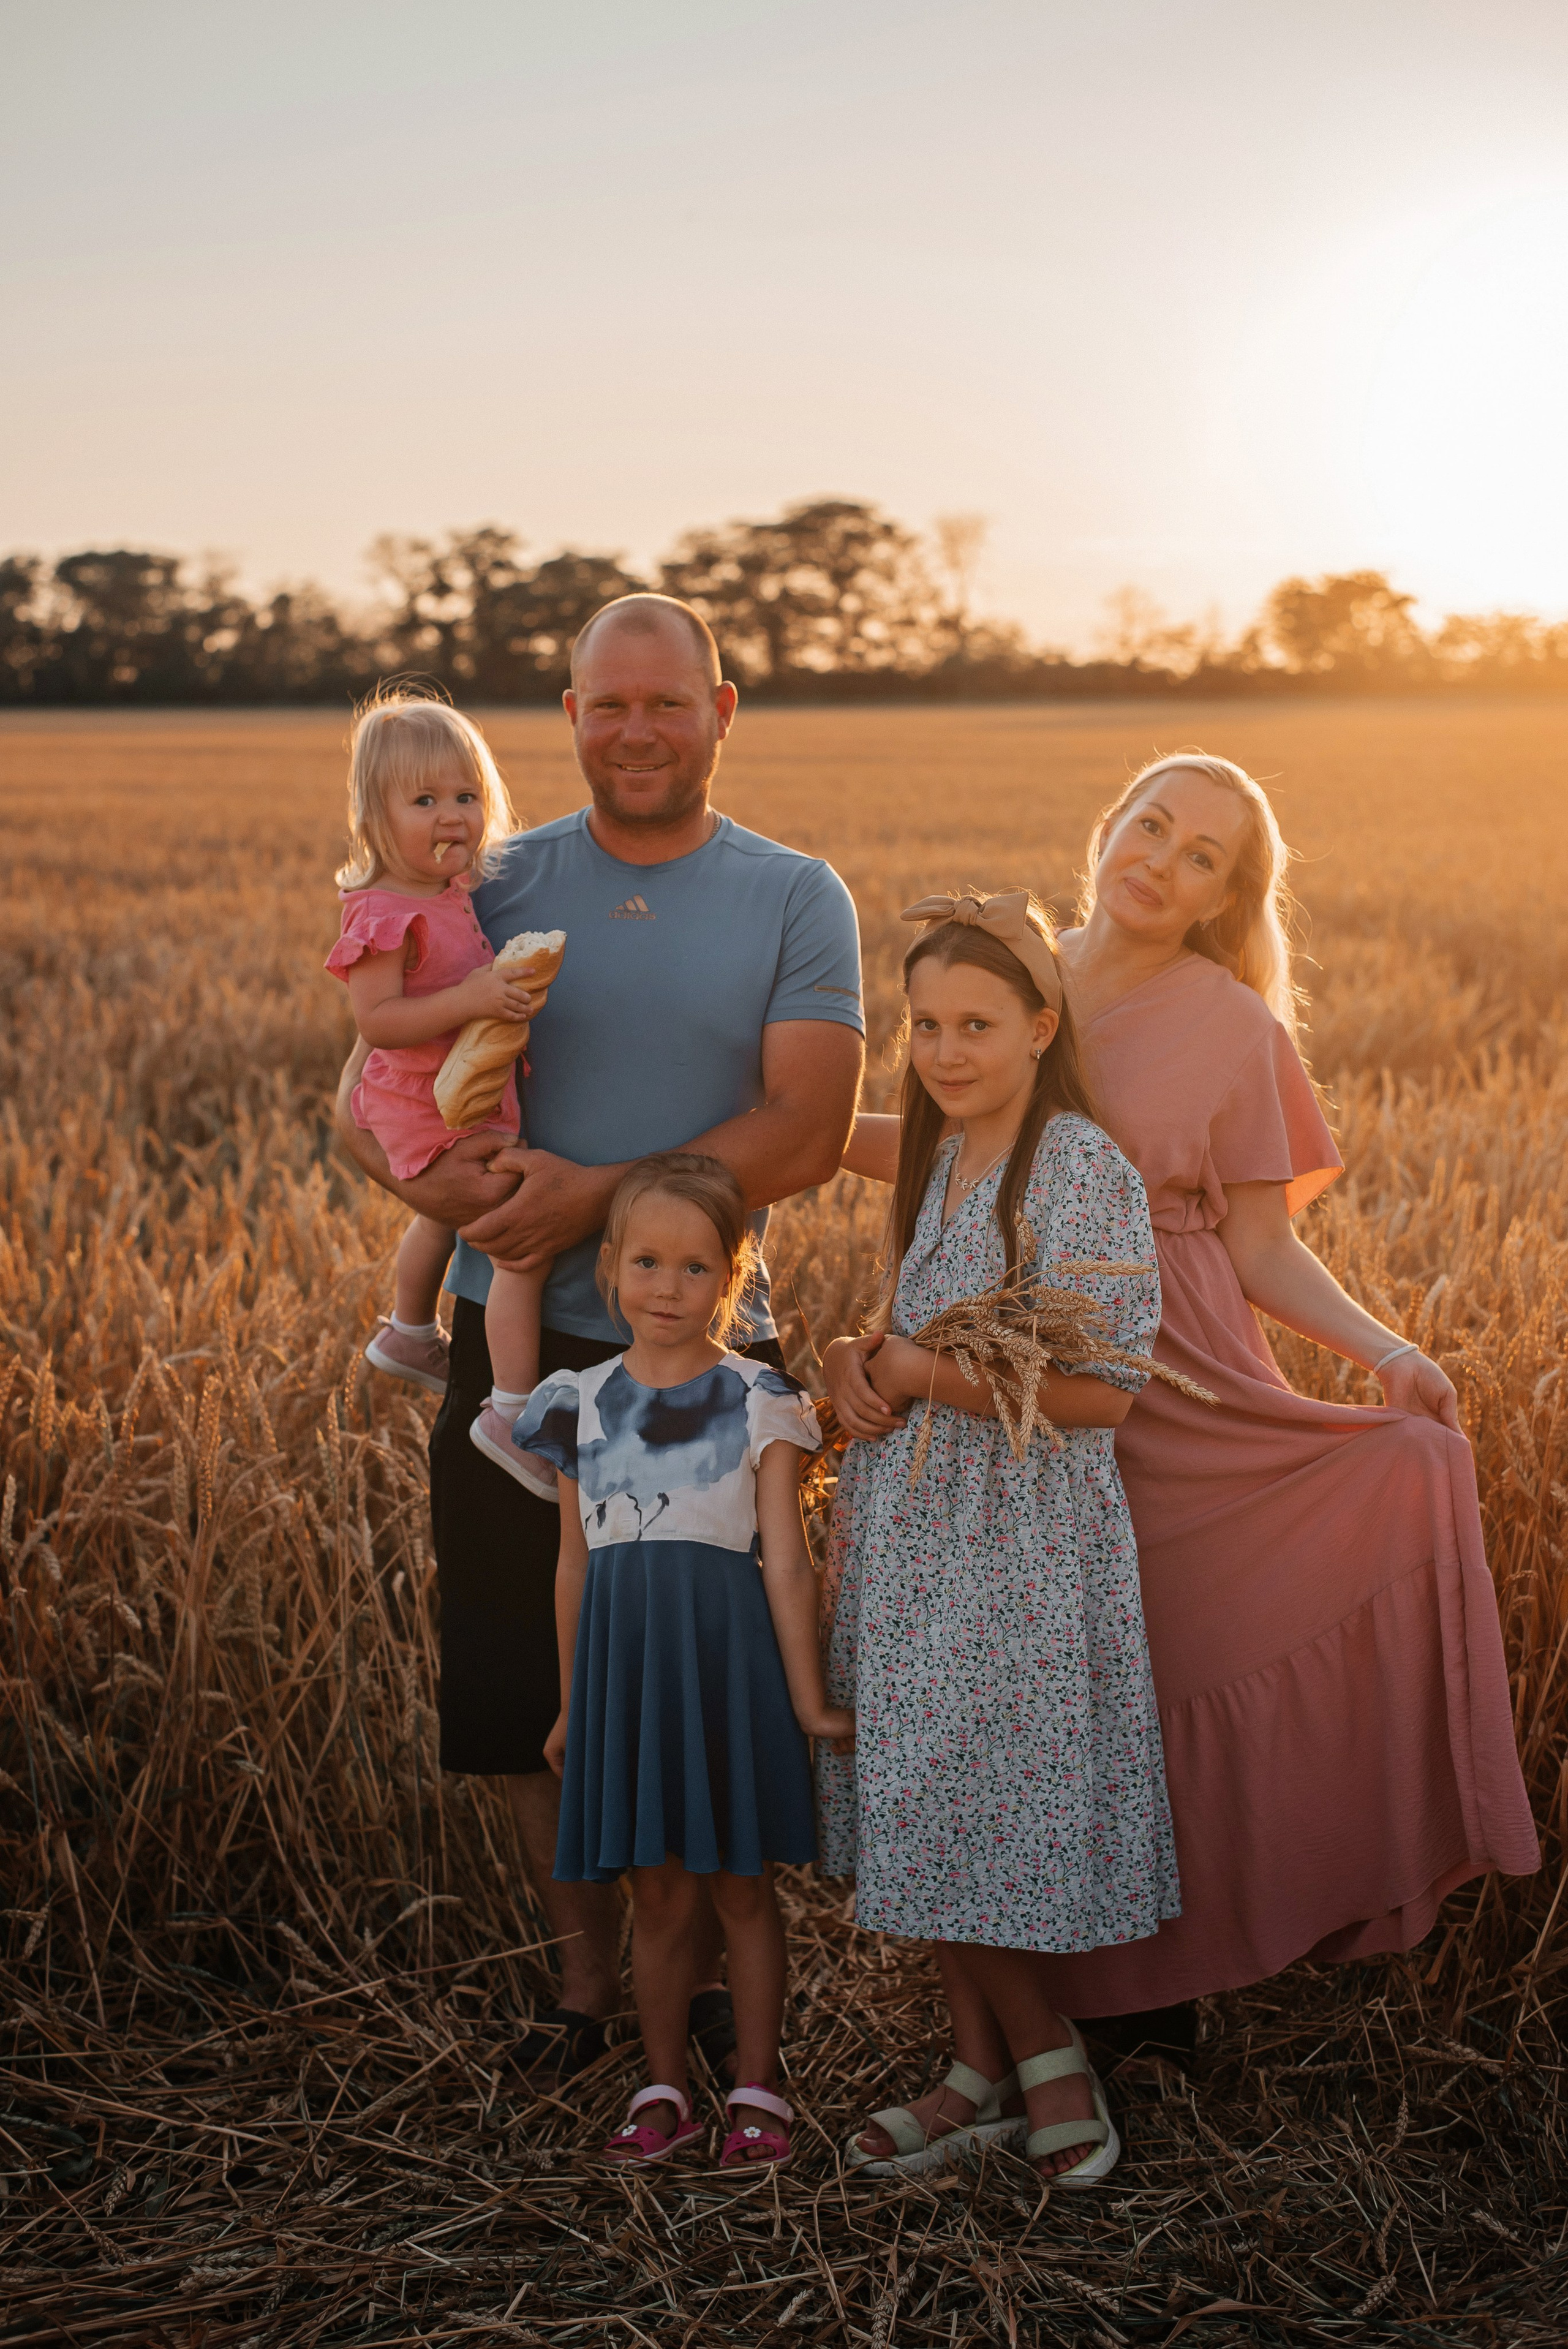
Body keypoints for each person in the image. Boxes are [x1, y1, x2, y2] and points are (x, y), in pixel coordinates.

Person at [831, 754, 1539, 2032]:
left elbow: (1262, 1246)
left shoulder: (1232, 1025)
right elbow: (947, 1146)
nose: (1161, 861)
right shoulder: (1017, 972)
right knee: (1052, 1675)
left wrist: (1388, 1353)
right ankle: (1047, 2000)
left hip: (1175, 1375)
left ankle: (1157, 1981)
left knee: (1176, 1652)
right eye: (1151, 826)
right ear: (1109, 827)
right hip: (1005, 1359)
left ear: (1223, 897)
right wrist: (797, 1135)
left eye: (1200, 855)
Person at [334, 594, 864, 2083]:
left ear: (721, 711)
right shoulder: (490, 876)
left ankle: (703, 1992)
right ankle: (584, 1995)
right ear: (567, 714)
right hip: (518, 1355)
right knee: (522, 1694)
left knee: (699, 1684)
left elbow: (808, 1127)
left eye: (667, 702)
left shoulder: (792, 894)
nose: (637, 731)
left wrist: (600, 1199)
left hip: (706, 1362)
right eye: (607, 704)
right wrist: (445, 1194)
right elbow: (363, 1090)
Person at [817, 889, 1178, 2185]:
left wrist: (917, 1373)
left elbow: (1103, 1391)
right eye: (923, 1025)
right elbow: (917, 1331)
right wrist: (855, 1361)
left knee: (964, 1795)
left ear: (1040, 1025)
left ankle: (1044, 2058)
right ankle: (974, 2072)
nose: (944, 1050)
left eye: (976, 1024)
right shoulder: (943, 1157)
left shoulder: (1077, 1165)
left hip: (1016, 1546)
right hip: (913, 1531)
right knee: (923, 1794)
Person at [525, 1152, 853, 2169]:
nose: (668, 1288)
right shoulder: (577, 1401)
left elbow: (787, 1562)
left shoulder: (761, 1398)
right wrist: (574, 1705)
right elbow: (573, 1567)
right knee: (660, 1895)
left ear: (733, 1274)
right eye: (647, 1263)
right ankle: (661, 2086)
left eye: (697, 1267)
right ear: (610, 1267)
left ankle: (758, 2089)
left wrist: (809, 1701)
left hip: (727, 1670)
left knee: (742, 1889)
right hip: (627, 1675)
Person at [326, 690, 559, 1499]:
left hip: (455, 1093)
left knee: (442, 1214)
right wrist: (473, 999)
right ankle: (510, 1411)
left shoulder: (446, 892)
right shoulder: (382, 913)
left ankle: (409, 1329)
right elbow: (379, 1022)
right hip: (422, 1101)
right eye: (424, 800)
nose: (451, 815)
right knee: (520, 1242)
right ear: (375, 816)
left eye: (466, 795)